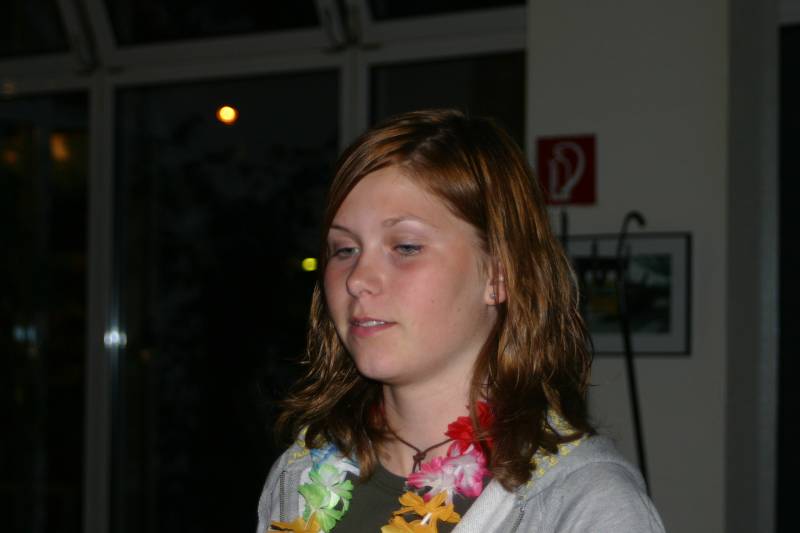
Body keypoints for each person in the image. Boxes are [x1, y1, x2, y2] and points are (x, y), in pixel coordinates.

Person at [256, 109, 665, 533]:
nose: (357, 279)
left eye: (406, 247)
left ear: (498, 274)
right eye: (344, 250)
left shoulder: (584, 505)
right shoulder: (296, 479)